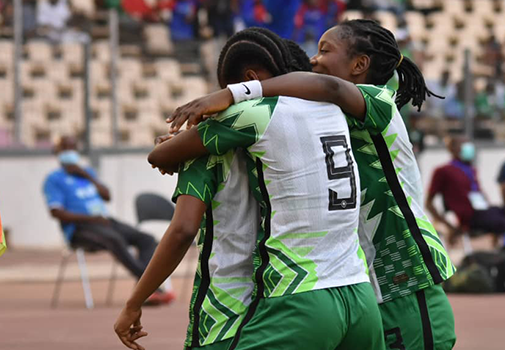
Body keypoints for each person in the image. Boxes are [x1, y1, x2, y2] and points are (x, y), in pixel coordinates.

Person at [166, 19, 457, 350]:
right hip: (362, 287)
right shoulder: (321, 113)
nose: (314, 59)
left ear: (360, 64)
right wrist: (192, 141)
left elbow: (326, 89)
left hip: (406, 281)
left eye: (325, 50)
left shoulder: (378, 101)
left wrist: (236, 92)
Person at [115, 28, 384, 350]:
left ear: (249, 79)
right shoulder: (334, 114)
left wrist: (134, 302)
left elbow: (182, 226)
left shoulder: (222, 135)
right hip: (356, 289)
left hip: (242, 308)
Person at [43, 136, 174, 304]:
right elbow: (56, 212)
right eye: (66, 149)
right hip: (79, 228)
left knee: (146, 239)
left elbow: (107, 196)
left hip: (105, 221)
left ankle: (144, 290)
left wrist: (85, 175)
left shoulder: (86, 173)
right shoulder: (54, 179)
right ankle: (151, 288)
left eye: (73, 148)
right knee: (115, 239)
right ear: (59, 152)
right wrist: (91, 219)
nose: (70, 152)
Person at [426, 136, 505, 245]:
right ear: (453, 148)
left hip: (483, 210)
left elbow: (478, 193)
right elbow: (429, 203)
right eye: (464, 146)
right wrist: (449, 226)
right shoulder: (443, 171)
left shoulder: (470, 169)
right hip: (469, 216)